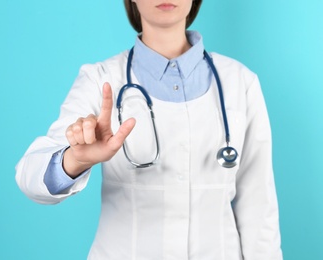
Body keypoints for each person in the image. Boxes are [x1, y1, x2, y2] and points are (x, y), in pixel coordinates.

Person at [15, 0, 283, 259]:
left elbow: (259, 207)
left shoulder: (240, 82)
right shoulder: (100, 80)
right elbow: (31, 176)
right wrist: (74, 160)